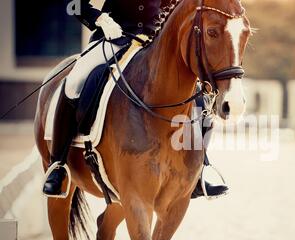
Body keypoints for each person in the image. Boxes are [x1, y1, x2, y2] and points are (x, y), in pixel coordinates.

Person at [43, 0, 229, 199]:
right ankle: (58, 164)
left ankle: (197, 172)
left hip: (154, 44)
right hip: (111, 39)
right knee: (75, 81)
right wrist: (99, 19)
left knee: (199, 98)